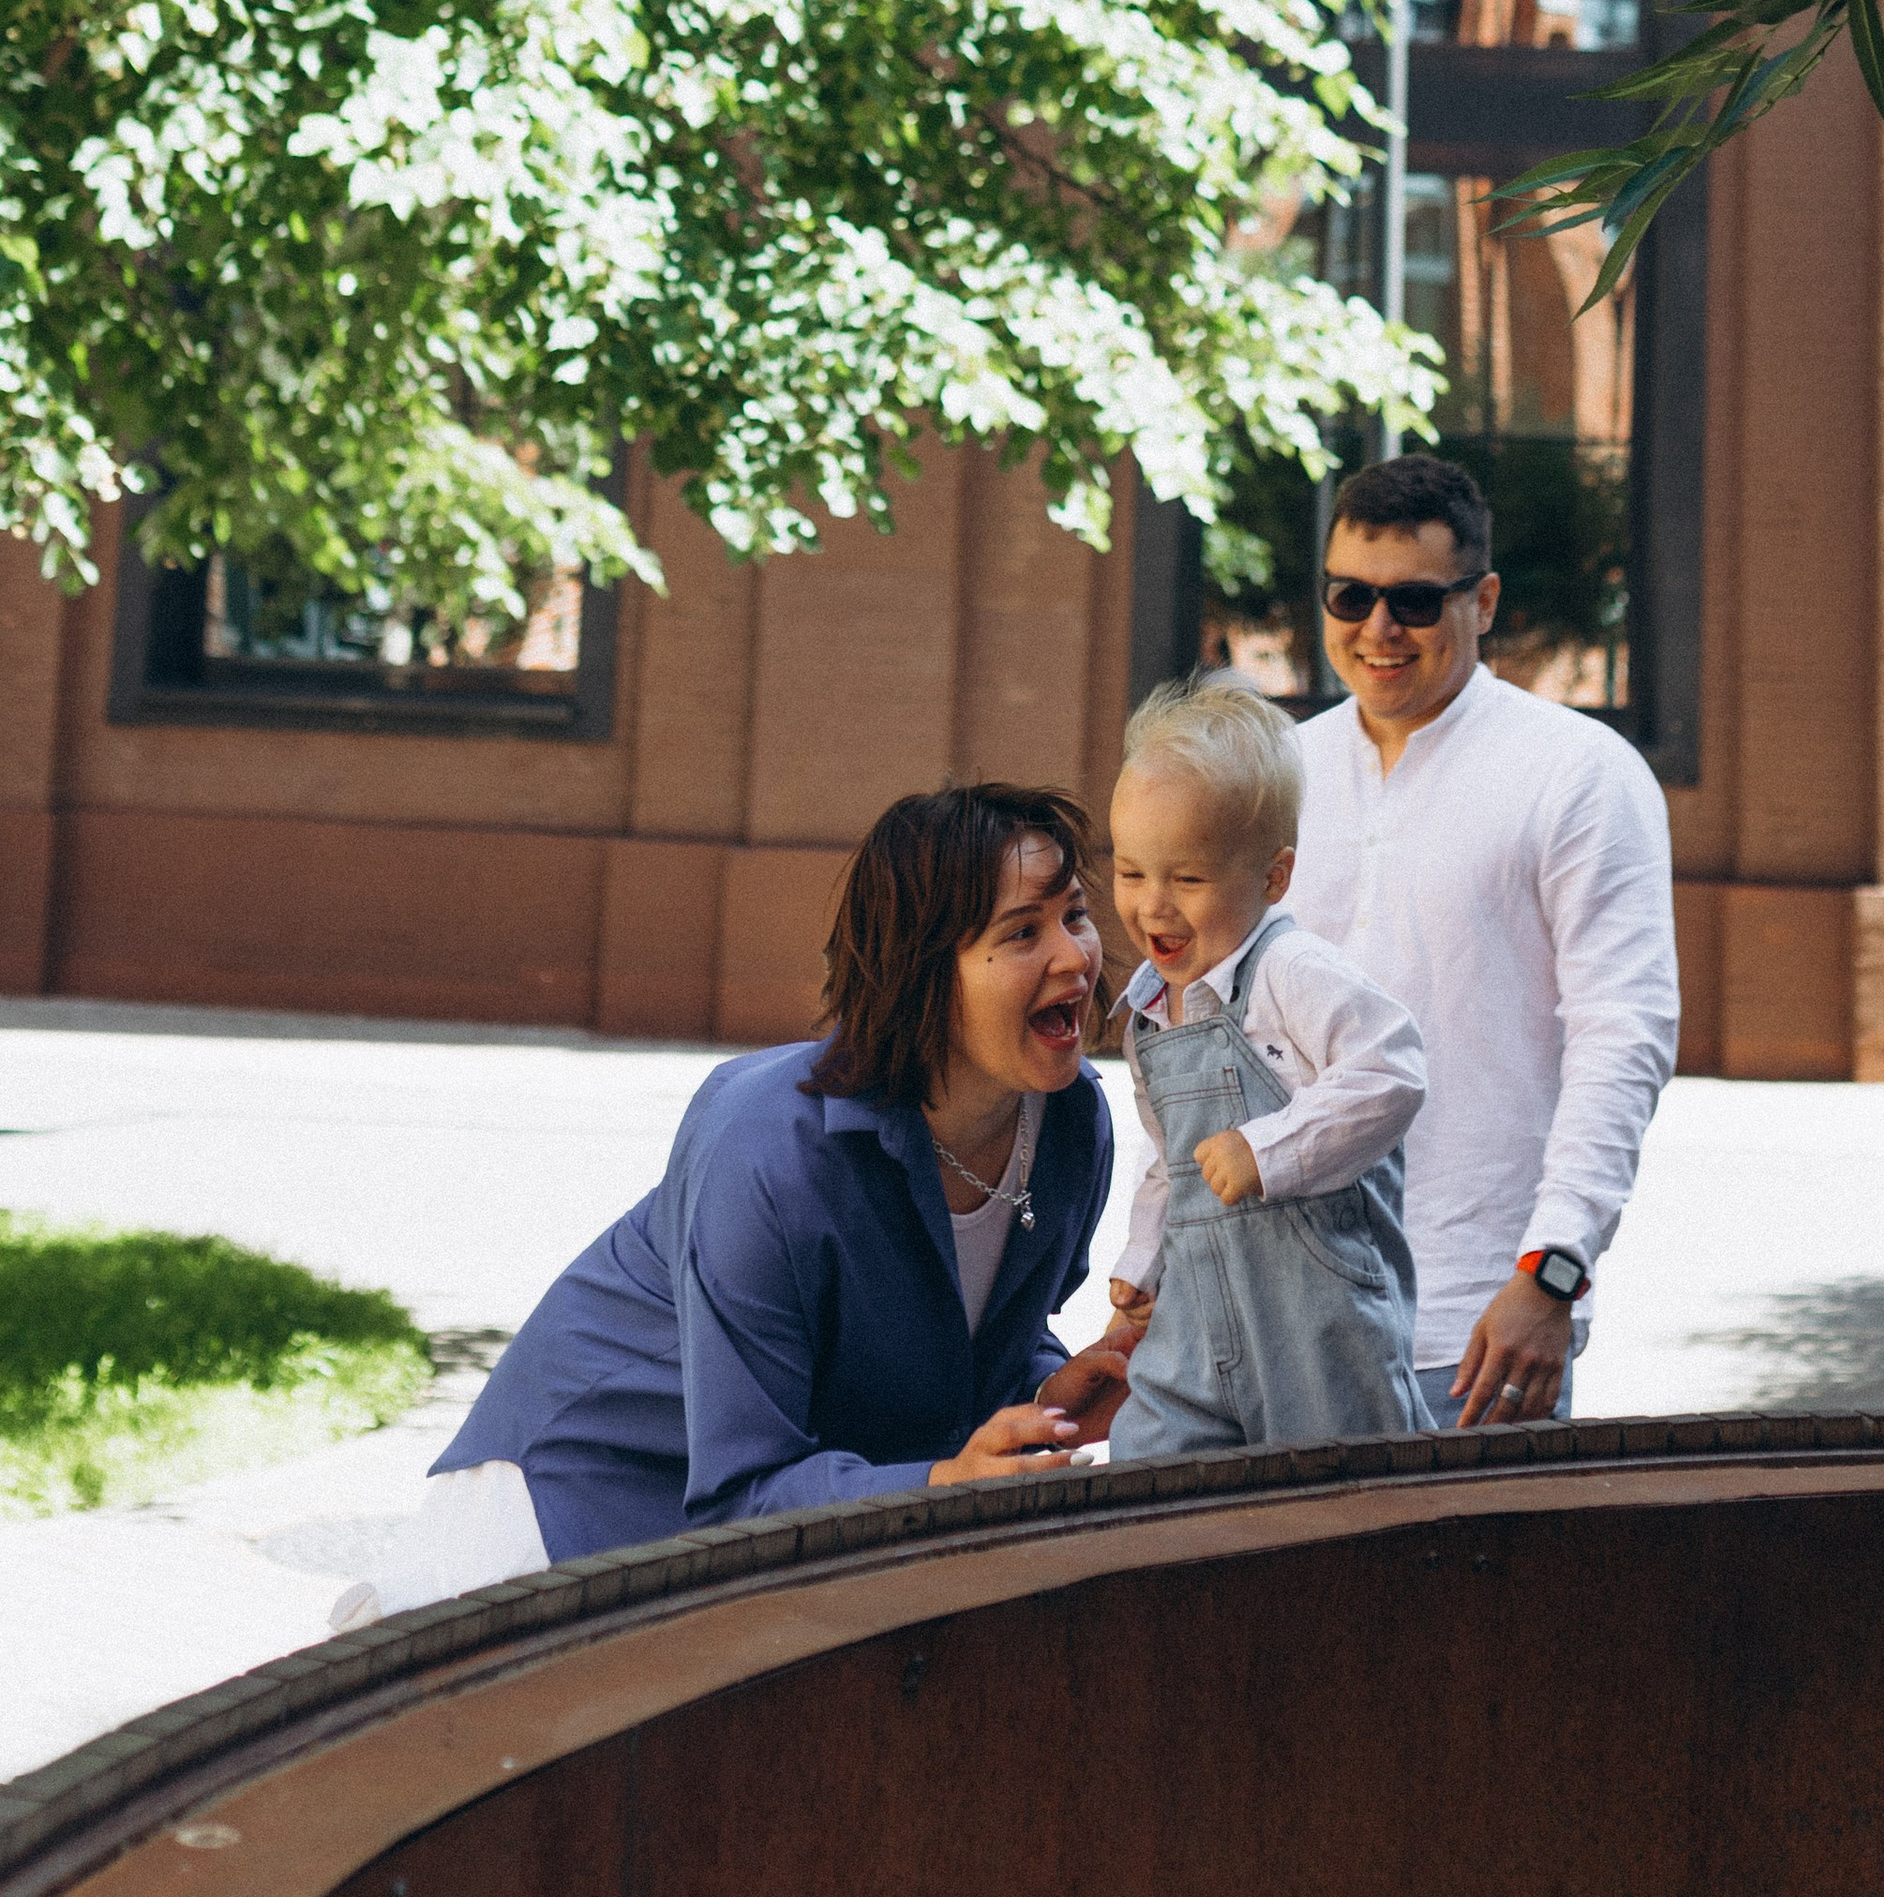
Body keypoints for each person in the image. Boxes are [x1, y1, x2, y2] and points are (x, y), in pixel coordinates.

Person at [336, 785, 1129, 1622]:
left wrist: (1049, 1390)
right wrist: (941, 1485)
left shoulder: (1073, 1123)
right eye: (1022, 933)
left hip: (789, 1551)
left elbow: (952, 1338)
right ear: (922, 974)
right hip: (559, 1530)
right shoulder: (768, 1145)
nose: (1077, 957)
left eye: (1074, 914)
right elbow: (738, 1493)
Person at [1289, 450, 1680, 1431]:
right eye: (1349, 596)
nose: (1377, 630)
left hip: (1472, 1327)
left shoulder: (1578, 775)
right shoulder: (1276, 774)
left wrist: (1552, 1272)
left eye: (1416, 602)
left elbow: (1621, 1040)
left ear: (1485, 599)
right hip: (1274, 1315)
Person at [1103, 674, 1436, 1456]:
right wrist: (1142, 1261)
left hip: (1314, 1320)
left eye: (1187, 878)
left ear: (1274, 877)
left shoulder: (1292, 972)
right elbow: (1170, 1162)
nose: (1154, 905)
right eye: (1130, 872)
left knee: (1339, 1506)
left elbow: (1392, 1070)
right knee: (1148, 1472)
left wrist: (1269, 1148)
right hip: (1193, 1319)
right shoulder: (1151, 1011)